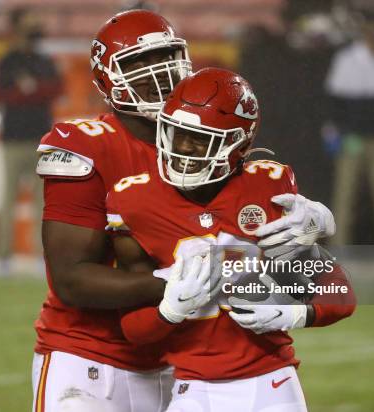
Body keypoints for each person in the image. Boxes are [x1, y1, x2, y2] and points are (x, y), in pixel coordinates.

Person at [32, 10, 338, 412]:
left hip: (181, 366)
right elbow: (71, 280)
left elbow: (270, 243)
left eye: (164, 57)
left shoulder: (209, 145)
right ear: (108, 78)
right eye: (137, 63)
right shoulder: (88, 144)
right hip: (90, 355)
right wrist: (178, 290)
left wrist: (314, 227)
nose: (156, 71)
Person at [106, 68, 355, 411]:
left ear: (237, 144)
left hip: (271, 382)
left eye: (199, 139)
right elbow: (132, 329)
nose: (182, 149)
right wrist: (167, 311)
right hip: (191, 388)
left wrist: (294, 314)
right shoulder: (134, 199)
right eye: (177, 134)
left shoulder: (268, 188)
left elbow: (340, 291)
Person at [324, 9, 374, 245]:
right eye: (368, 28)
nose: (372, 33)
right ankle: (336, 257)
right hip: (353, 139)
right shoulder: (347, 58)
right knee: (345, 198)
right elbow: (336, 101)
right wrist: (335, 132)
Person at [0, 7, 61, 271]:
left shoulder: (44, 60)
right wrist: (33, 91)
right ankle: (3, 257)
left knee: (42, 203)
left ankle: (39, 256)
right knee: (7, 199)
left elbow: (54, 89)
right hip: (12, 138)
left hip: (40, 138)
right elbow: (6, 94)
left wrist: (30, 89)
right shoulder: (8, 60)